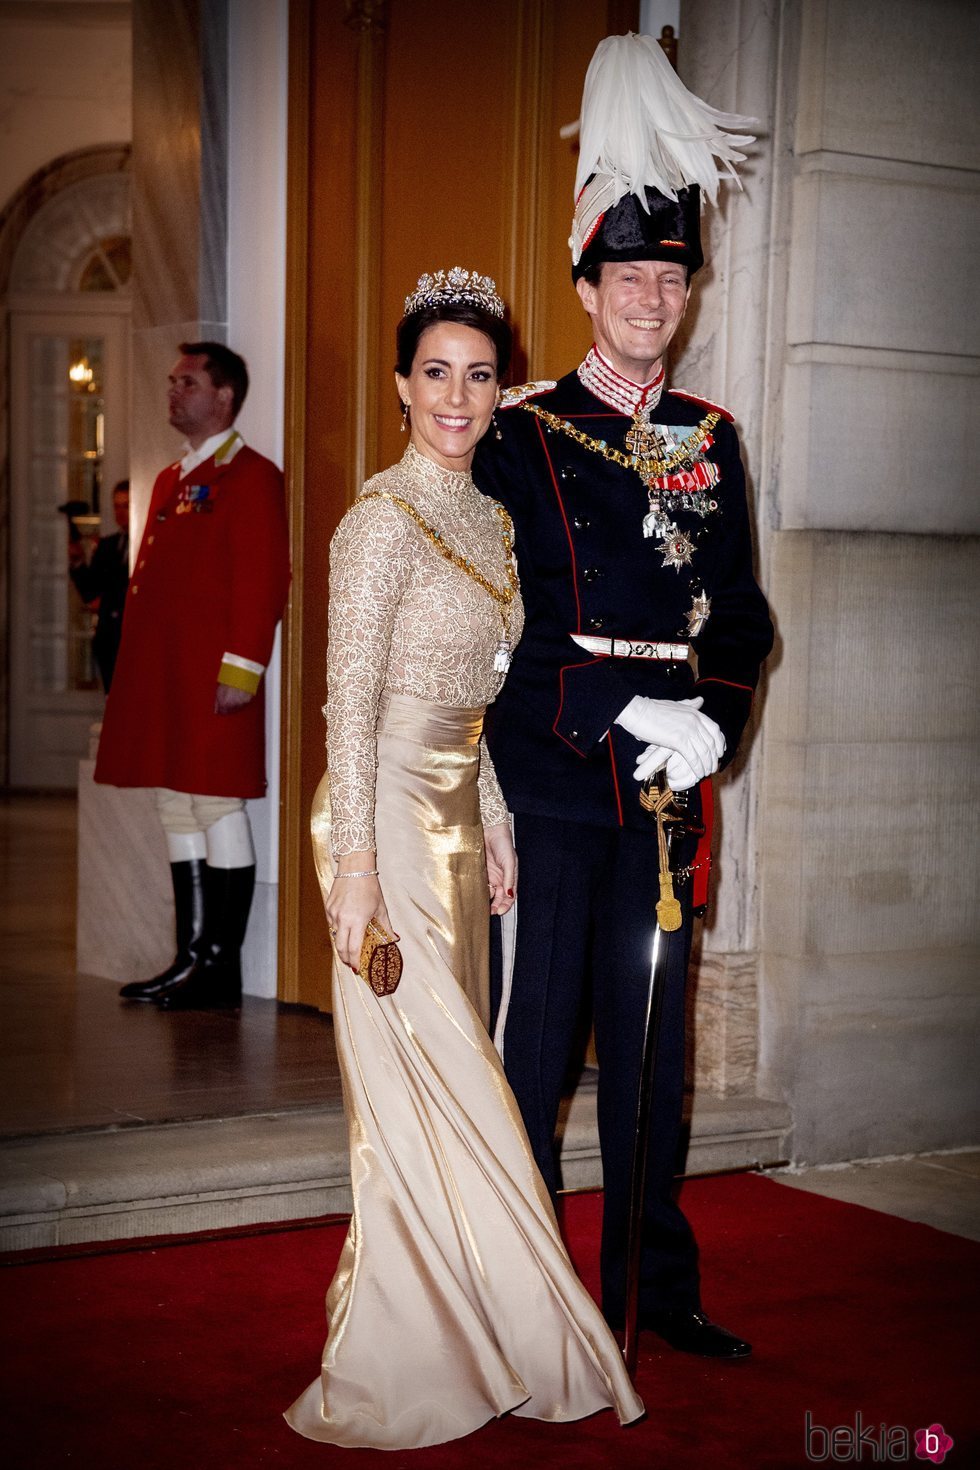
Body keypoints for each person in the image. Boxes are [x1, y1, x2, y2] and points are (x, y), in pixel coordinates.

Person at [285, 269, 642, 1451]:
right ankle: (421, 1340)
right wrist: (350, 871)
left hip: (449, 818)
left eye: (478, 374)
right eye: (434, 372)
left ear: (501, 392)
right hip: (378, 820)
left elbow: (475, 710)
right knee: (431, 1089)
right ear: (399, 387)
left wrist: (487, 817)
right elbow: (349, 705)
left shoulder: (490, 516)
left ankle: (483, 1325)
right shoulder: (376, 521)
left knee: (459, 1085)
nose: (456, 393)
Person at [473, 34, 774, 1358]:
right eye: (629, 274)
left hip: (663, 796)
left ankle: (655, 1289)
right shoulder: (519, 433)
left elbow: (744, 611)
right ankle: (530, 1298)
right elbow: (492, 631)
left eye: (671, 277)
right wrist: (613, 706)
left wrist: (711, 713)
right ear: (587, 281)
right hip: (551, 782)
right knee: (537, 1052)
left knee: (654, 1057)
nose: (652, 296)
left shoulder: (712, 437)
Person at [94, 342, 290, 1010]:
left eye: (188, 382)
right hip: (167, 675)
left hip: (214, 675)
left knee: (214, 802)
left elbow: (263, 579)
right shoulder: (175, 476)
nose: (174, 391)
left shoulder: (253, 475)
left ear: (226, 396)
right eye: (172, 381)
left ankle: (218, 965)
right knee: (175, 803)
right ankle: (190, 957)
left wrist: (243, 669)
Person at [67, 479, 130, 691]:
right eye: (117, 506)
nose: (120, 512)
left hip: (133, 637)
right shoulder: (108, 545)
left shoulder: (146, 543)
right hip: (108, 638)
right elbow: (89, 590)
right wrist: (77, 562)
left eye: (126, 506)